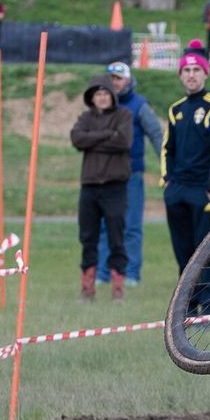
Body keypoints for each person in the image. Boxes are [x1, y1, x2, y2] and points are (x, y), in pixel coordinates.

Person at [162, 43, 210, 317]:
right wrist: (166, 181)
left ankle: (206, 308)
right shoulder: (175, 110)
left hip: (201, 191)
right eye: (186, 70)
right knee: (183, 252)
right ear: (180, 75)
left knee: (204, 251)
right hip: (176, 190)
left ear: (205, 73)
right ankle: (186, 308)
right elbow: (168, 149)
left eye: (195, 70)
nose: (191, 75)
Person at [96, 61, 163, 289]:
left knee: (132, 226)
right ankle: (103, 274)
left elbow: (156, 136)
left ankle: (132, 273)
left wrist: (167, 165)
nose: (114, 82)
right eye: (111, 78)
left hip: (132, 175)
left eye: (118, 78)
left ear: (127, 80)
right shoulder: (102, 105)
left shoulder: (140, 105)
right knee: (106, 225)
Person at [72, 73, 133, 301]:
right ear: (92, 97)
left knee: (116, 237)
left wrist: (93, 139)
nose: (102, 97)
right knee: (88, 237)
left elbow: (123, 141)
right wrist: (106, 136)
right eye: (98, 94)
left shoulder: (124, 115)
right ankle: (87, 288)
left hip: (115, 187)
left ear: (112, 95)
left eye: (106, 93)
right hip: (89, 186)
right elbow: (77, 138)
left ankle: (118, 288)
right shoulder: (84, 118)